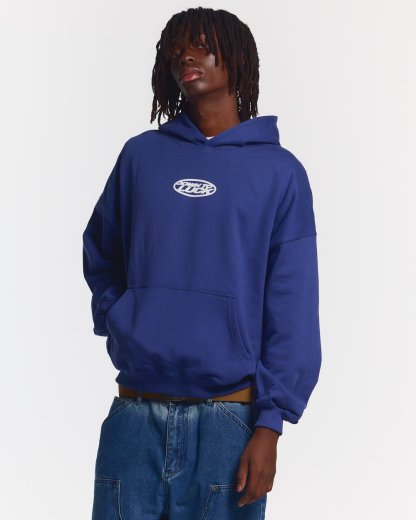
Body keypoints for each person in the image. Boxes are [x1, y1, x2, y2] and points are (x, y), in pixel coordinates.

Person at [82, 7, 322, 519]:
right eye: (177, 48)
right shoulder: (141, 157)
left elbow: (293, 304)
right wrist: (123, 317)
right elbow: (101, 251)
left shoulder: (279, 173)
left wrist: (271, 425)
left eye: (202, 46)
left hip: (227, 425)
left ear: (238, 58)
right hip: (133, 416)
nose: (185, 56)